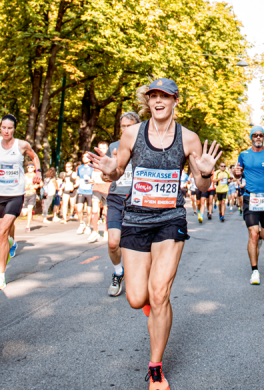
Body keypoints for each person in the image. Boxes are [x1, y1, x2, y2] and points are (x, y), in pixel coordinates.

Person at [88, 78, 220, 390]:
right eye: (153, 96)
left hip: (170, 220)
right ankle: (155, 311)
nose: (158, 101)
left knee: (159, 293)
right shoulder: (132, 133)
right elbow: (117, 171)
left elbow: (202, 187)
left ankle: (156, 367)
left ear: (176, 101)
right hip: (136, 218)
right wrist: (108, 167)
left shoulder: (189, 139)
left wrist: (205, 172)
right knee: (137, 298)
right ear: (147, 101)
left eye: (164, 96)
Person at [0, 114, 38, 290]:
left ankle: (0, 276)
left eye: (10, 128)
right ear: (0, 128)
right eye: (4, 128)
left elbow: (34, 157)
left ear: (14, 129)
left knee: (4, 230)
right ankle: (10, 242)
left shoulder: (22, 145)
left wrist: (38, 172)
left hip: (15, 195)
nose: (6, 131)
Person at [105, 111, 141, 297]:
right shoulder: (113, 146)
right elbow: (106, 175)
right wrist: (107, 172)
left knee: (133, 245)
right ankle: (119, 272)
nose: (126, 130)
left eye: (130, 126)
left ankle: (138, 276)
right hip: (116, 198)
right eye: (123, 126)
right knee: (113, 243)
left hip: (137, 201)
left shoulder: (144, 147)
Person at [234, 125, 264, 285]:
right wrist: (236, 173)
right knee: (253, 234)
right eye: (255, 135)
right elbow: (237, 171)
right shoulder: (244, 154)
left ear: (263, 137)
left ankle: (259, 239)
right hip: (250, 197)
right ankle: (255, 271)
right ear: (251, 137)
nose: (258, 137)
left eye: (260, 135)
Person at [90, 140, 112, 242]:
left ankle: (107, 232)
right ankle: (95, 231)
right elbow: (94, 173)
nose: (102, 150)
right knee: (94, 210)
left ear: (107, 149)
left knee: (107, 211)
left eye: (104, 148)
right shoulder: (95, 160)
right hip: (96, 187)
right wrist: (91, 179)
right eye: (100, 148)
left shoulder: (110, 159)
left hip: (107, 188)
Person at [75, 157, 94, 230]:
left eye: (86, 157)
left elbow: (94, 178)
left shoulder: (92, 167)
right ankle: (81, 223)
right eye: (83, 157)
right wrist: (76, 185)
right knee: (79, 209)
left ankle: (88, 226)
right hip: (81, 191)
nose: (84, 158)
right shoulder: (79, 167)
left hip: (90, 191)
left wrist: (90, 180)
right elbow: (77, 178)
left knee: (89, 211)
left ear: (89, 158)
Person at [23, 164, 41, 231]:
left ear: (34, 168)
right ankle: (30, 213)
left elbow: (41, 183)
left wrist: (37, 186)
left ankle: (28, 226)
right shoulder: (24, 175)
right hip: (25, 194)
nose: (30, 168)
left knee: (30, 209)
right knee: (24, 213)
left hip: (32, 193)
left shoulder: (35, 175)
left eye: (31, 167)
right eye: (28, 167)